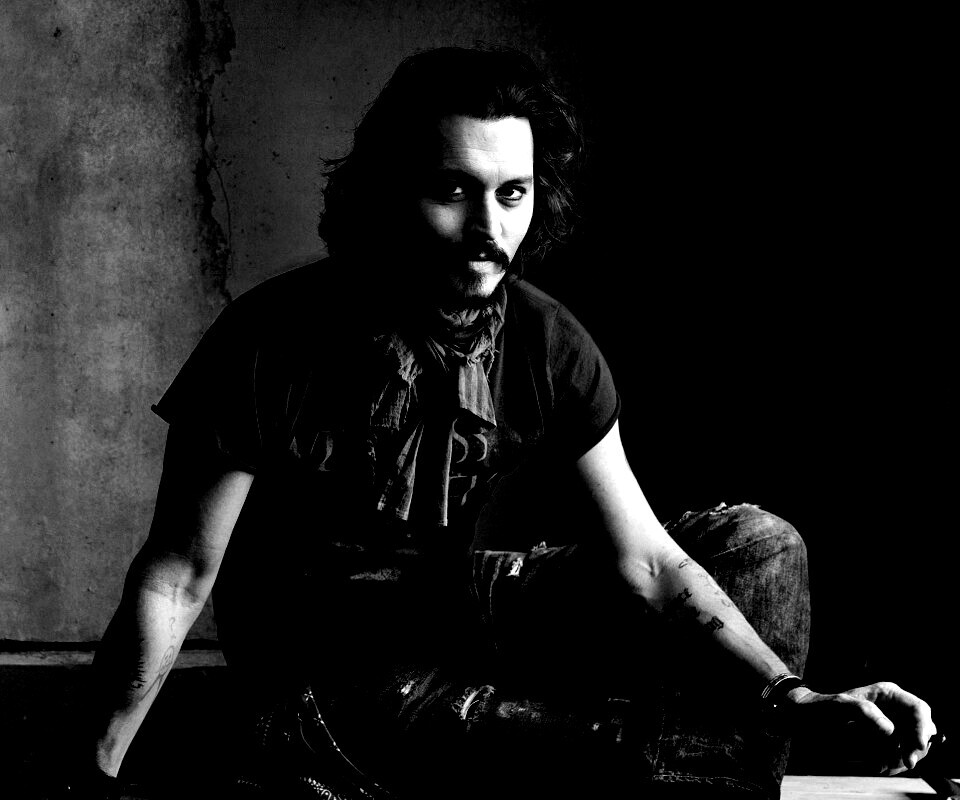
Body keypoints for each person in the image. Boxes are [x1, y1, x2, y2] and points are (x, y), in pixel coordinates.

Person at [67, 47, 935, 799]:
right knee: (612, 745)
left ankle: (686, 767)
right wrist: (87, 775)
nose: (488, 228)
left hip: (452, 605)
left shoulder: (545, 339)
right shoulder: (270, 340)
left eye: (512, 193)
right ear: (389, 192)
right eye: (453, 191)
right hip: (325, 674)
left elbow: (647, 561)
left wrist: (794, 696)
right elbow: (176, 578)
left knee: (760, 545)